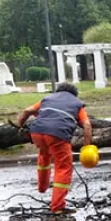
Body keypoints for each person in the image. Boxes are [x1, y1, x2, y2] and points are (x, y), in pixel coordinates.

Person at [17, 82, 92, 214]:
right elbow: (86, 125)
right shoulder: (77, 103)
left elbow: (27, 111)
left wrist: (20, 126)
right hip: (58, 135)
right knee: (63, 168)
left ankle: (42, 187)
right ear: (74, 94)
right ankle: (58, 207)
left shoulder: (48, 98)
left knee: (44, 155)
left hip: (37, 133)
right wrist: (87, 147)